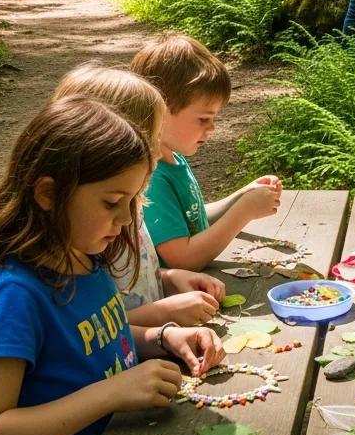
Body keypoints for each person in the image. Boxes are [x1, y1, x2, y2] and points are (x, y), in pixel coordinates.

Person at [0, 97, 224, 435]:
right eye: (112, 202)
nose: (126, 219)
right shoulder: (16, 295)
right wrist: (111, 393)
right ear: (48, 194)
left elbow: (95, 339)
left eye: (133, 201)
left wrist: (163, 337)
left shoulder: (89, 257)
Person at [52, 64, 227, 327]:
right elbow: (87, 330)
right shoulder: (88, 230)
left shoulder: (127, 207)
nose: (158, 151)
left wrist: (169, 278)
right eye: (151, 139)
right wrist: (162, 315)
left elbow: (132, 279)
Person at [132, 34, 283, 271]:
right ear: (160, 109)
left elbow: (193, 217)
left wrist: (241, 196)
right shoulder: (152, 177)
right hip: (178, 289)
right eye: (203, 119)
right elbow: (183, 259)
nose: (212, 128)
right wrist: (243, 212)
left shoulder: (173, 158)